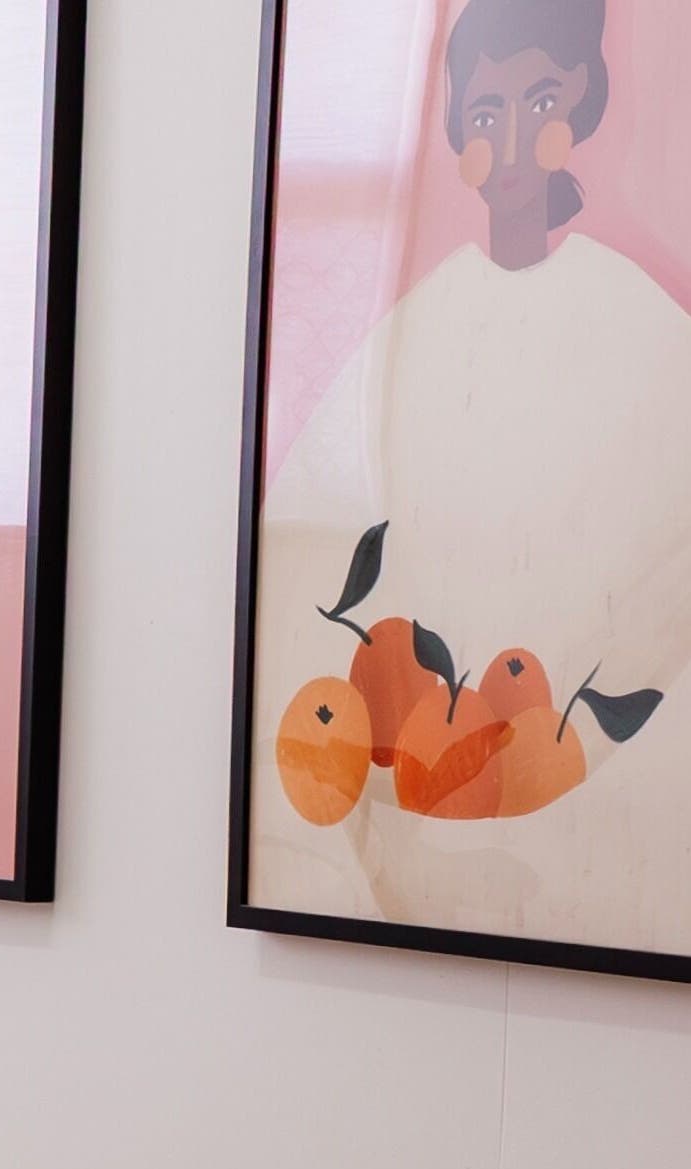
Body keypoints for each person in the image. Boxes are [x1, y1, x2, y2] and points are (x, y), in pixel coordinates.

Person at [251, 0, 691, 950]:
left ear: (583, 106)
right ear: (456, 134)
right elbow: (305, 555)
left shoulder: (643, 333)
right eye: (486, 117)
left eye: (541, 103)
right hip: (410, 797)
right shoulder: (413, 330)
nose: (517, 144)